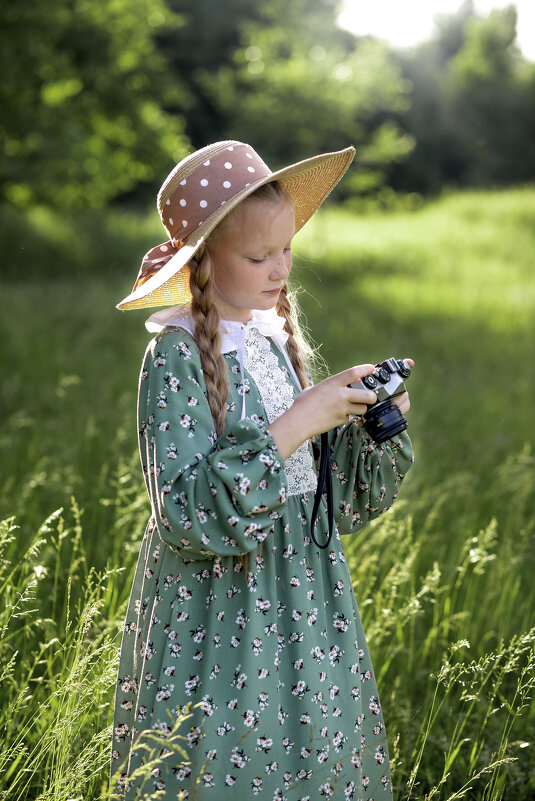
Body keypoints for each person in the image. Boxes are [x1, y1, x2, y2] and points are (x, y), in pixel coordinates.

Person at [111, 141, 414, 800]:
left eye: (285, 248)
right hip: (221, 608)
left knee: (307, 757)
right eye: (256, 256)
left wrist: (359, 418)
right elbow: (188, 512)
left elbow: (324, 502)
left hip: (304, 600)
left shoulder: (273, 344)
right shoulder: (178, 356)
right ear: (201, 264)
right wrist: (300, 419)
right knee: (229, 762)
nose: (280, 268)